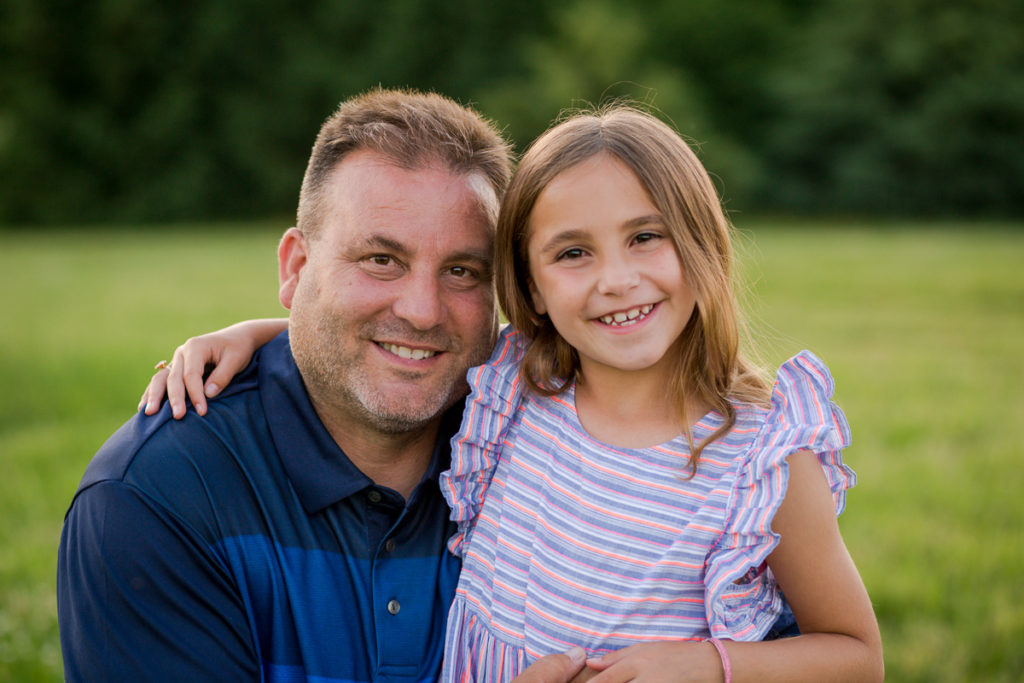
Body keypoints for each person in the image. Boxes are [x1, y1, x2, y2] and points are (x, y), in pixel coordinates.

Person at [142, 106, 883, 681]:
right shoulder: (521, 388)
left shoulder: (761, 460)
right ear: (527, 286)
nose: (616, 279)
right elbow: (392, 336)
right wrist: (261, 332)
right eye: (573, 253)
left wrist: (706, 666)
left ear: (702, 244)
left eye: (646, 237)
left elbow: (856, 655)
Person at [57, 87, 586, 683]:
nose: (422, 311)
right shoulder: (156, 497)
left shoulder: (543, 450)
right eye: (381, 259)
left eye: (462, 272)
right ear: (295, 269)